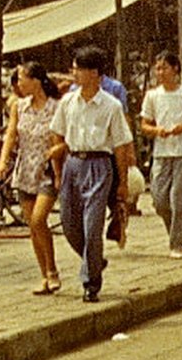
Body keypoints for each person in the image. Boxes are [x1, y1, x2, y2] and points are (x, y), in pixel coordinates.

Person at [47, 47, 134, 303]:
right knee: (70, 224)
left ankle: (91, 281)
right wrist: (59, 172)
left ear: (94, 73)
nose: (74, 73)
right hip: (74, 162)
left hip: (99, 165)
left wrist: (123, 183)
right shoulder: (67, 102)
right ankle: (95, 261)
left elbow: (120, 146)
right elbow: (57, 133)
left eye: (78, 69)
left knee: (92, 224)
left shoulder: (111, 106)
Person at [0, 61, 62, 293]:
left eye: (22, 78)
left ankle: (53, 269)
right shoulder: (19, 106)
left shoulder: (56, 107)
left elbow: (60, 139)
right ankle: (45, 274)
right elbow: (11, 135)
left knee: (38, 219)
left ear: (36, 80)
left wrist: (59, 170)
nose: (19, 83)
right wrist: (3, 161)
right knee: (32, 227)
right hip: (25, 170)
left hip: (47, 169)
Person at [139, 50, 182, 260]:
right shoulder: (152, 96)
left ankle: (179, 243)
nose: (160, 72)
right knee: (160, 199)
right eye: (157, 68)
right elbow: (144, 124)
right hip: (162, 152)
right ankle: (174, 231)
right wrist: (157, 131)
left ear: (175, 69)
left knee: (179, 199)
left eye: (164, 68)